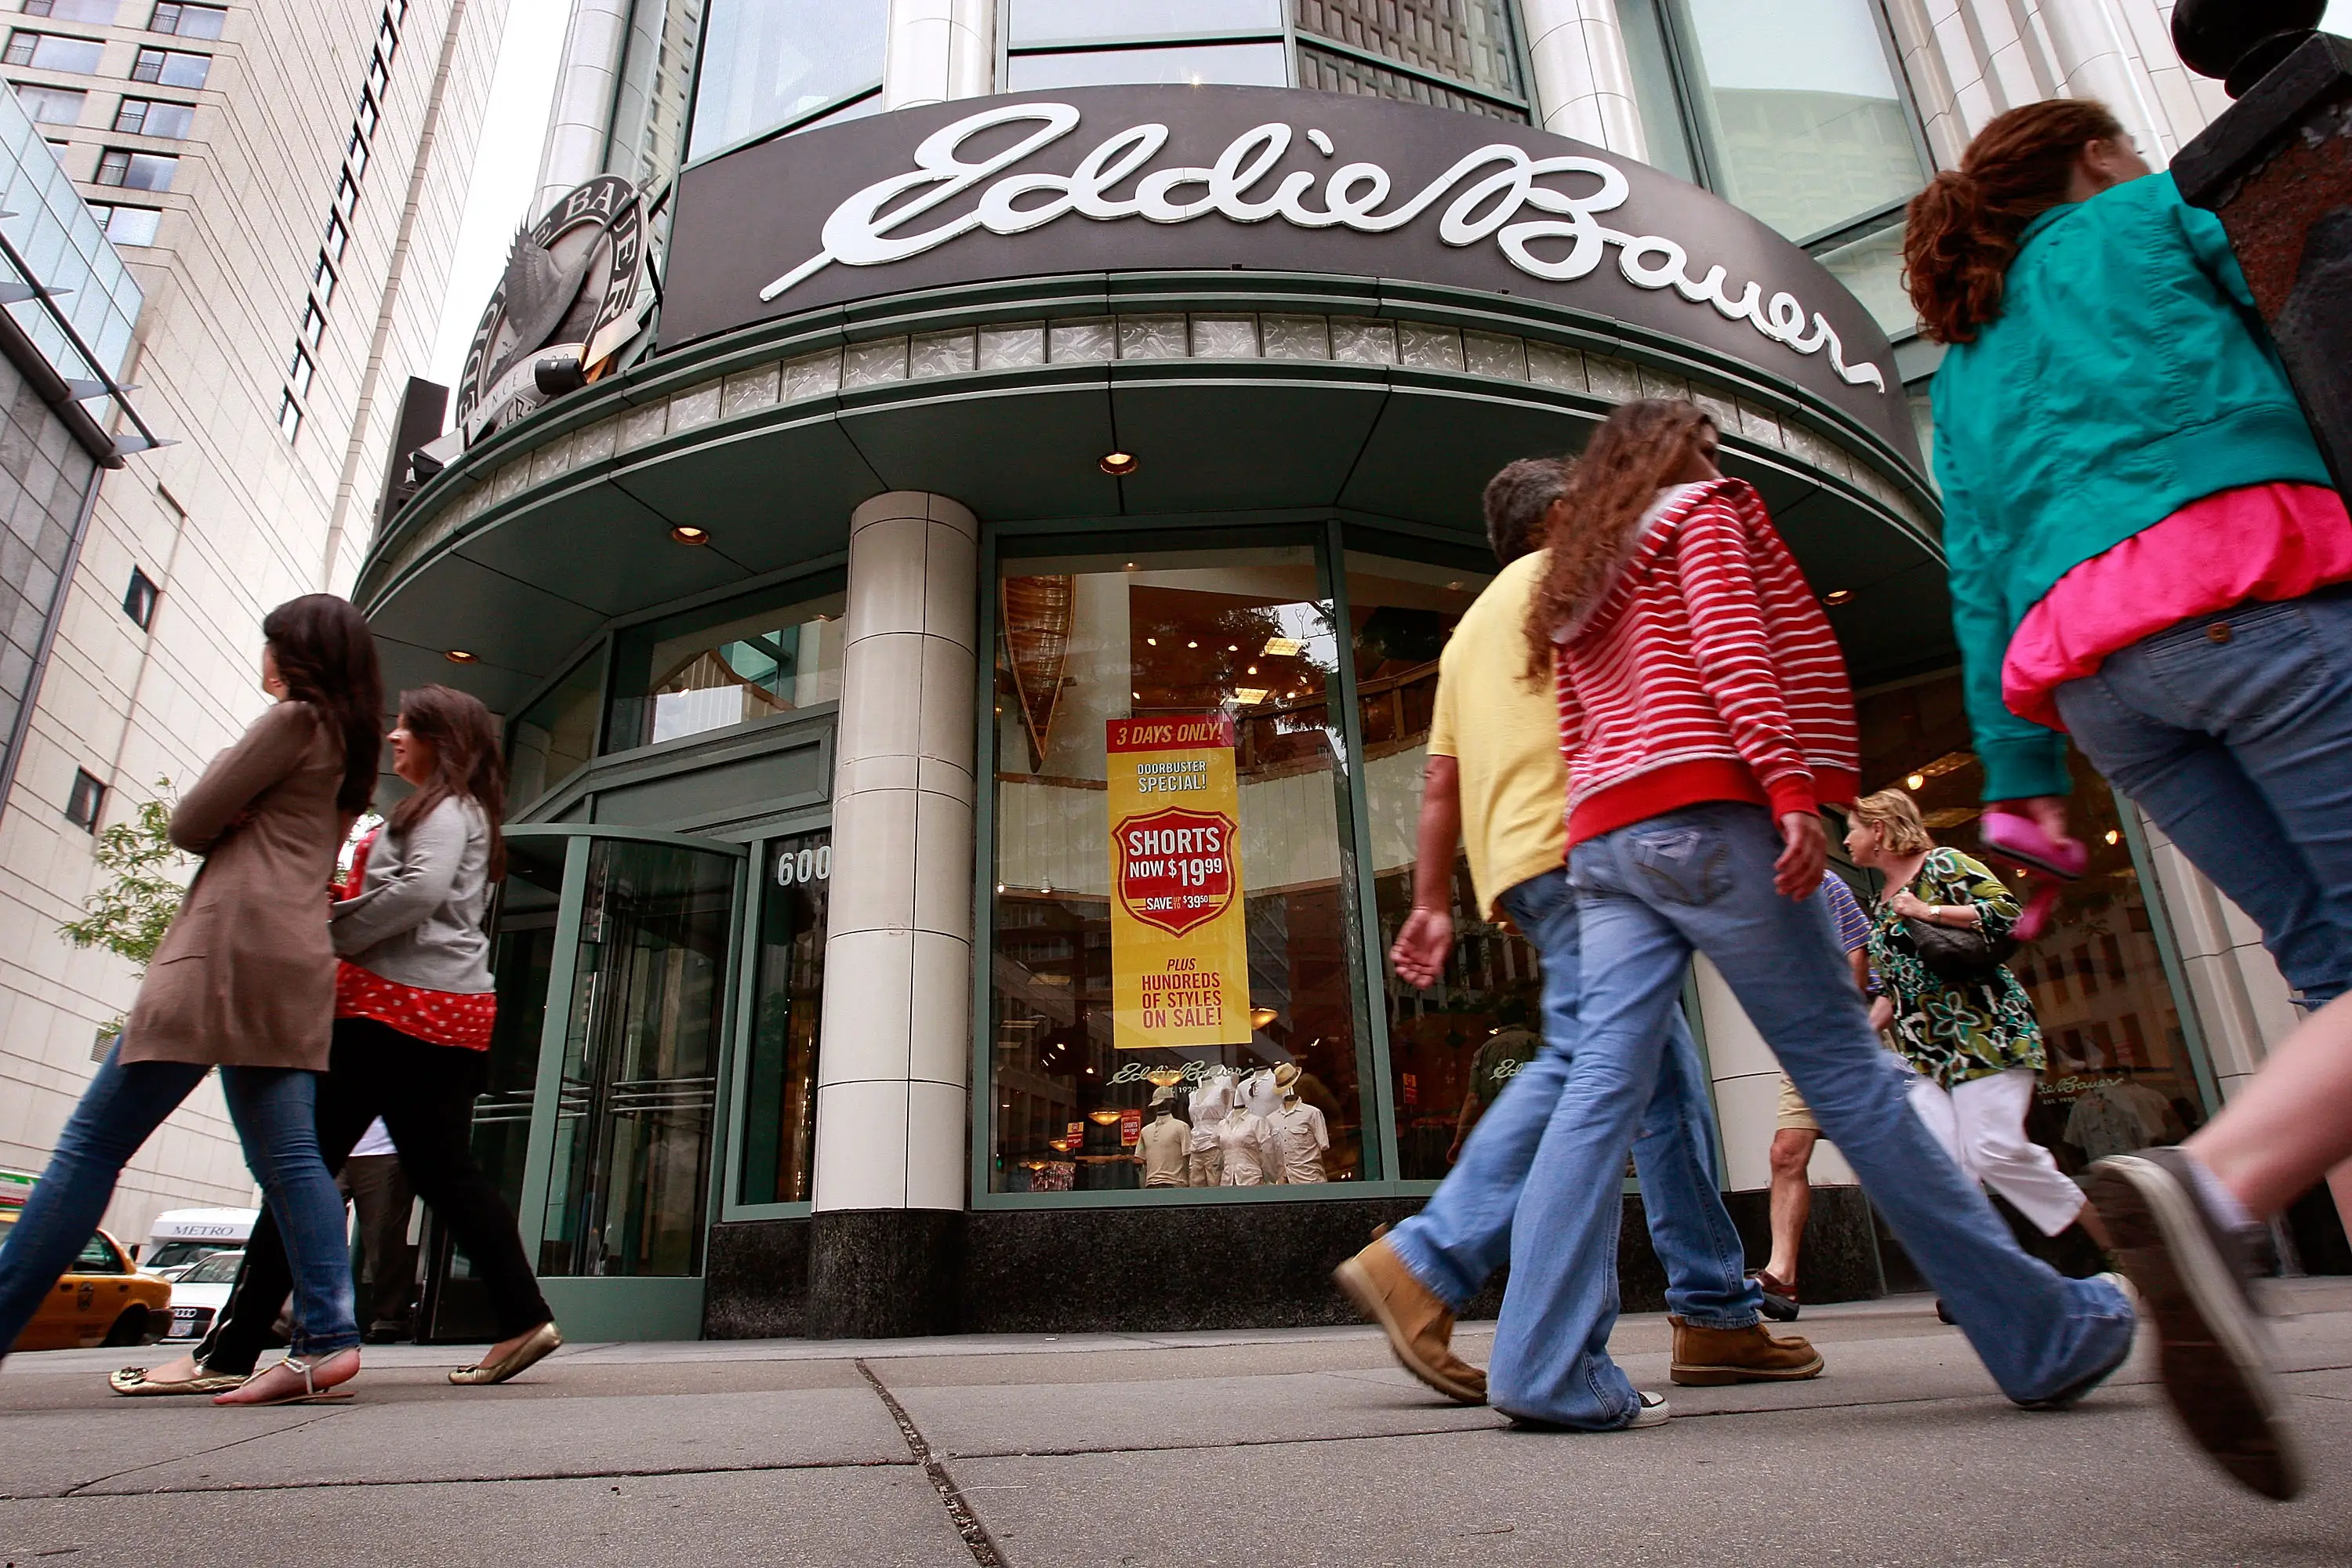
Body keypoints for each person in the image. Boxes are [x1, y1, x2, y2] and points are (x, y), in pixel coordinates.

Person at [1484, 398, 2132, 1432]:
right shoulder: (1700, 511)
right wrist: (1789, 789)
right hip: (1708, 812)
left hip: (1604, 840)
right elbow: (1736, 652)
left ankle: (1539, 1363)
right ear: (1666, 455)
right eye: (1702, 440)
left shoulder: (1574, 573)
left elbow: (1576, 722)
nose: (1720, 454)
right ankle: (2040, 1330)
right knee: (1850, 1076)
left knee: (1598, 1089)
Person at [1907, 96, 2352, 1498]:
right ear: (2098, 157)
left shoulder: (1968, 367)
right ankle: (2212, 1189)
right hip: (2255, 592)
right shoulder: (2162, 217)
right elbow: (2321, 345)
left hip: (2100, 684)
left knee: (2333, 971)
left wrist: (2024, 784)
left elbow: (1975, 583)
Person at [1335, 454, 1820, 1412]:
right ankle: (1425, 1258)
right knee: (1589, 1062)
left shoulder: (1469, 629)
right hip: (1600, 844)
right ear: (1561, 514)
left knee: (1666, 1083)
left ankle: (1717, 1314)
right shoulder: (1585, 577)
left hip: (1521, 868)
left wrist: (1432, 900)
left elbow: (1440, 783)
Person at [123, 684, 562, 1397]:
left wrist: (329, 933)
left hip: (397, 1014)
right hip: (436, 1016)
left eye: (406, 728)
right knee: (440, 1173)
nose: (393, 738)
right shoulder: (446, 810)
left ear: (442, 742)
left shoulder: (448, 808)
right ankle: (524, 1316)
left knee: (300, 1170)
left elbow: (419, 895)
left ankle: (229, 1349)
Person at [0, 595, 379, 1402]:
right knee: (289, 1157)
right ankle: (330, 1334)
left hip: (225, 945)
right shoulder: (352, 747)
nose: (264, 660)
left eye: (270, 644)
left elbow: (189, 820)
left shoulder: (293, 721)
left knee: (91, 1145)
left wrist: (232, 812)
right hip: (292, 954)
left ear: (298, 654)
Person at [1843, 789, 2103, 1248]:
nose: (1846, 841)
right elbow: (1893, 990)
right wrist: (1856, 1044)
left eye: (1853, 830)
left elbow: (2007, 913)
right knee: (1945, 1168)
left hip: (1985, 1035)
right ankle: (1991, 1276)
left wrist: (1928, 911)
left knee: (1997, 1151)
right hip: (1927, 1056)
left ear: (1878, 830)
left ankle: (2120, 1245)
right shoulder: (1881, 905)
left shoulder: (1943, 864)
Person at [1754, 869, 1873, 1321]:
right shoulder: (1749, 895)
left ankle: (1963, 1273)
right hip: (1803, 1044)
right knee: (1786, 1153)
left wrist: (1846, 1024)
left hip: (1848, 1040)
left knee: (1891, 1156)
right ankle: (1782, 1274)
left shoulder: (1823, 882)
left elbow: (1856, 951)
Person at [341, 1118, 417, 1342]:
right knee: (305, 1231)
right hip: (323, 1146)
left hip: (384, 1150)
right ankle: (285, 1320)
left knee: (384, 1237)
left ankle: (390, 1318)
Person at [1450, 1004, 1539, 1167]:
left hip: (1500, 1133)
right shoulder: (1537, 1043)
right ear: (1526, 1015)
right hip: (1536, 1130)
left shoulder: (1484, 1050)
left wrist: (1459, 1139)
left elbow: (1472, 1099)